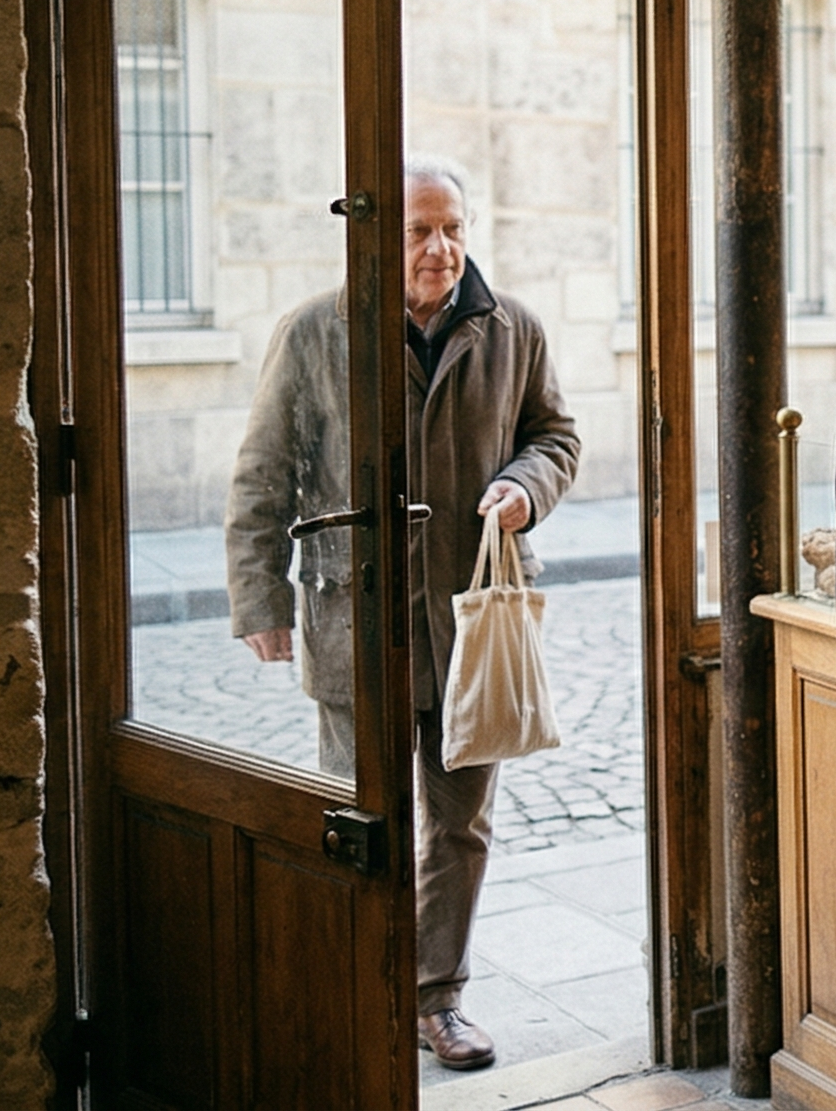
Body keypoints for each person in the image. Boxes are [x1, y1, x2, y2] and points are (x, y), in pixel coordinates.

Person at [224, 156, 581, 1070]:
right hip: (358, 619)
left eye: (453, 227)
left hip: (474, 620)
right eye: (420, 229)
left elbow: (557, 436)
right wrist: (260, 595)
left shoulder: (513, 329)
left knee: (460, 823)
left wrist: (523, 486)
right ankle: (358, 979)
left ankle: (436, 997)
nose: (440, 248)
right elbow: (264, 471)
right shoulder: (314, 332)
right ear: (378, 235)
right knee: (360, 817)